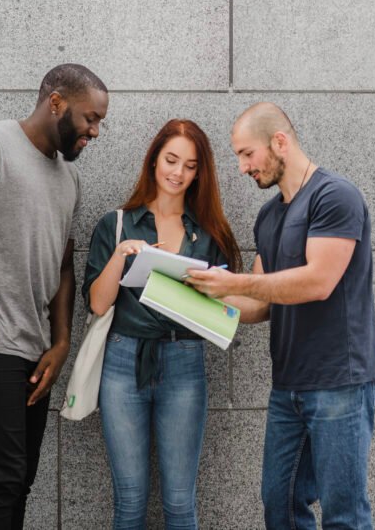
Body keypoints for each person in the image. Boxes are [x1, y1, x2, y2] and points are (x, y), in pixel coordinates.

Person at [186, 102, 375, 530]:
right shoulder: (269, 215)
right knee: (280, 504)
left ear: (280, 141)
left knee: (344, 515)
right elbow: (260, 304)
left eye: (246, 153)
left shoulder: (334, 196)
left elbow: (318, 281)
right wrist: (191, 294)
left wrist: (233, 283)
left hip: (340, 383)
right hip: (289, 386)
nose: (241, 167)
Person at [0, 63, 108, 529]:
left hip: (33, 350)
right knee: (0, 478)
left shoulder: (69, 179)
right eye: (91, 118)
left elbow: (63, 265)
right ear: (56, 103)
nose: (95, 130)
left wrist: (62, 342)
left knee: (19, 480)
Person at [84, 119, 242, 530]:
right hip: (123, 360)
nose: (178, 173)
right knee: (130, 501)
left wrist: (208, 290)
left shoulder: (210, 232)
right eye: (171, 160)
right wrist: (122, 254)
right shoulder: (116, 223)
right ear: (154, 159)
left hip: (184, 359)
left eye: (190, 166)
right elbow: (99, 304)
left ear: (199, 173)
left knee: (179, 502)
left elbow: (232, 305)